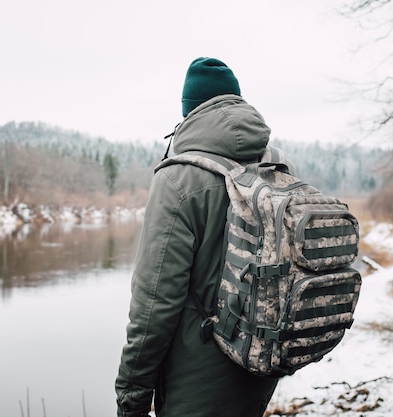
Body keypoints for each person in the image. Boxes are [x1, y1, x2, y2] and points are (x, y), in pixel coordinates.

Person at [115, 57, 279, 417]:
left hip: (195, 385)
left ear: (188, 113)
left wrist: (132, 398)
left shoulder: (178, 180)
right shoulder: (273, 170)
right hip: (259, 364)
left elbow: (153, 305)